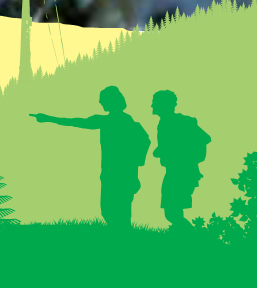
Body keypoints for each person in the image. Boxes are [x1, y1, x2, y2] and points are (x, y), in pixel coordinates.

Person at [31, 86, 150, 228]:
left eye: (103, 100)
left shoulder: (123, 122)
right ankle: (121, 239)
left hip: (122, 174)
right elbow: (76, 121)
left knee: (118, 212)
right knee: (109, 210)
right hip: (112, 173)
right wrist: (48, 118)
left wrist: (137, 160)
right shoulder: (110, 121)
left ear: (111, 101)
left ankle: (122, 241)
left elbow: (145, 141)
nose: (100, 103)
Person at [151, 89, 210, 229]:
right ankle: (186, 237)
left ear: (164, 105)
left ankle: (194, 237)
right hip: (174, 171)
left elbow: (205, 138)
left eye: (155, 103)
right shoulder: (164, 123)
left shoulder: (182, 121)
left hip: (183, 172)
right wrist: (161, 150)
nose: (152, 106)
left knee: (172, 211)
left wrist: (179, 151)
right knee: (172, 211)